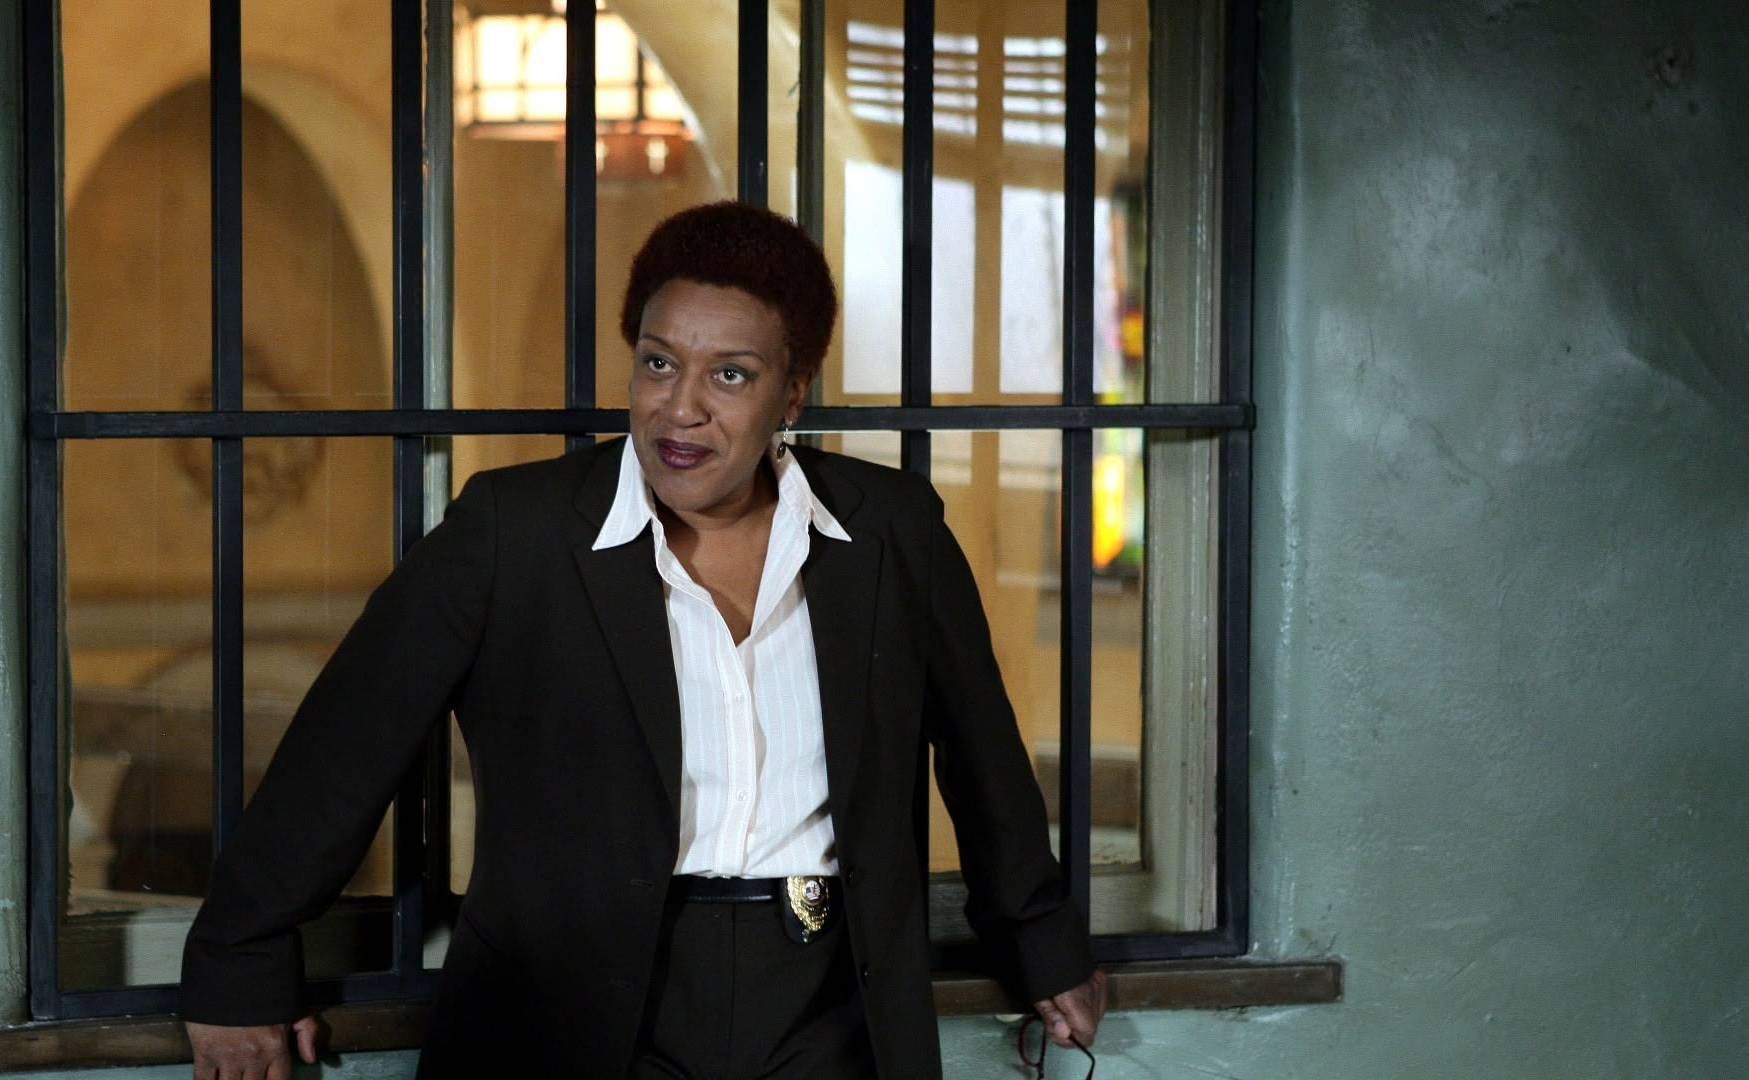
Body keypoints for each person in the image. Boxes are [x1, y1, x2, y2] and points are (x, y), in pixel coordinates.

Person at [181, 201, 1106, 1079]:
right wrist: (239, 962)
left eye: (730, 375)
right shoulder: (514, 532)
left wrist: (1041, 940)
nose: (681, 407)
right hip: (570, 1011)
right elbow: (344, 749)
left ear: (791, 393)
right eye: (659, 363)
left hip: (829, 1012)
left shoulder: (891, 529)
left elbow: (983, 759)